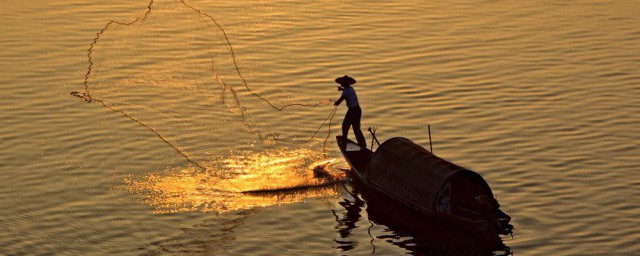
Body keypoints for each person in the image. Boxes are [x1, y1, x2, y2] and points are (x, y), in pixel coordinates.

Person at [334, 75, 367, 149]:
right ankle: (363, 146)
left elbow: (338, 102)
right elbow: (347, 92)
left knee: (345, 126)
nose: (341, 84)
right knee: (356, 129)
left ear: (345, 83)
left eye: (342, 83)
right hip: (357, 110)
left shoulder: (346, 92)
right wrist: (342, 89)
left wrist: (335, 103)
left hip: (353, 111)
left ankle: (344, 143)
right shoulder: (350, 89)